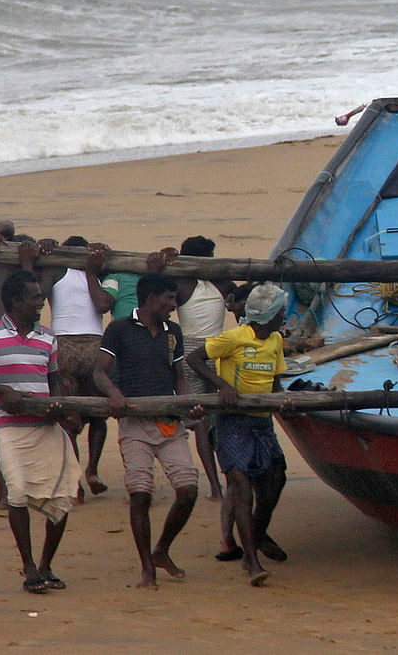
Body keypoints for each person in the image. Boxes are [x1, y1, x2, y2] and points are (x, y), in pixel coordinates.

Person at [0, 271, 83, 594]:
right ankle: (29, 565)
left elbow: (54, 381)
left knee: (62, 496)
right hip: (9, 426)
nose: (41, 303)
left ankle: (45, 565)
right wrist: (3, 390)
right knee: (16, 492)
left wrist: (61, 409)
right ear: (16, 302)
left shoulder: (48, 337)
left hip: (45, 426)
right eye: (35, 298)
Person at [96, 274, 202, 589]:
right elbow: (99, 370)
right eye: (169, 299)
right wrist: (113, 393)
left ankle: (162, 550)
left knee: (188, 490)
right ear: (151, 298)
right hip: (134, 424)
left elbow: (178, 375)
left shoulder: (174, 333)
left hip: (169, 421)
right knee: (140, 494)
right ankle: (147, 568)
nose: (173, 305)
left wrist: (187, 406)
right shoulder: (118, 329)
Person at [190, 284, 291, 587]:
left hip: (262, 422)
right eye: (281, 312)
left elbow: (274, 381)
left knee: (276, 481)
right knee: (241, 486)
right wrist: (222, 385)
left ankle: (256, 538)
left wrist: (283, 401)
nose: (284, 316)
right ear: (269, 315)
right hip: (233, 422)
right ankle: (252, 561)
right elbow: (194, 359)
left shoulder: (275, 340)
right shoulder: (234, 338)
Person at [169, 235, 240, 558]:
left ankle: (217, 480)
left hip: (218, 346)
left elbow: (239, 301)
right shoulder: (187, 282)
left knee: (211, 415)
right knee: (199, 418)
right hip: (196, 347)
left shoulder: (218, 280)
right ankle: (214, 482)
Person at [29, 235, 113, 499]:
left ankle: (76, 481)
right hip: (93, 346)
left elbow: (40, 292)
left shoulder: (58, 269)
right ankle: (92, 471)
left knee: (70, 418)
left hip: (63, 345)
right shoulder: (96, 271)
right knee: (97, 414)